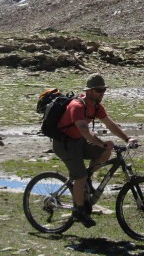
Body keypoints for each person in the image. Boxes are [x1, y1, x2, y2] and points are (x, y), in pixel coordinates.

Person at [52, 74, 136, 227]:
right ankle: (79, 210)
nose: (102, 93)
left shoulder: (96, 106)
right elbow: (84, 130)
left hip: (79, 141)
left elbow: (110, 124)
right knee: (80, 176)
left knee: (105, 152)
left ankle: (87, 179)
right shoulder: (77, 106)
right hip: (65, 144)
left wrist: (127, 139)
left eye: (104, 90)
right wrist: (102, 142)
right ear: (90, 90)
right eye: (99, 90)